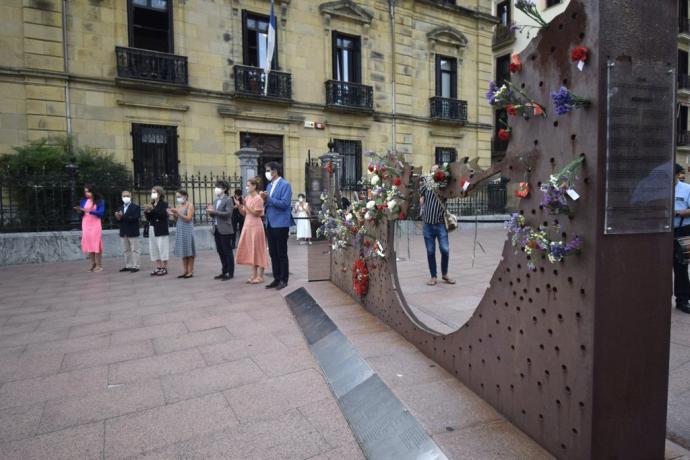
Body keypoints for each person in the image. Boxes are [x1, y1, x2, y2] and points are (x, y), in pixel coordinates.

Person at [260, 161, 292, 290]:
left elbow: (285, 204)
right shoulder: (269, 186)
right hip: (270, 223)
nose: (266, 173)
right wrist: (263, 200)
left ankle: (284, 279)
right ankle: (276, 277)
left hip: (281, 223)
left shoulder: (285, 185)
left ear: (275, 171)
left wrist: (268, 199)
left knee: (281, 253)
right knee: (273, 252)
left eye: (268, 170)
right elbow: (266, 204)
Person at [419, 172, 455, 286]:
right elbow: (420, 195)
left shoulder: (444, 186)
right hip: (428, 225)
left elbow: (453, 190)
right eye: (433, 171)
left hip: (440, 225)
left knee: (445, 250)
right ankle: (433, 276)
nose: (435, 173)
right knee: (430, 252)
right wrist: (421, 199)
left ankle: (444, 273)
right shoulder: (426, 186)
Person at [235, 177, 269, 284]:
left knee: (259, 249)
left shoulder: (258, 198)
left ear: (254, 186)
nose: (247, 187)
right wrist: (239, 205)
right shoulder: (248, 197)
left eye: (248, 185)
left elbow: (257, 213)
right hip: (247, 225)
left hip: (256, 226)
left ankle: (260, 276)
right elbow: (244, 213)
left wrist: (245, 205)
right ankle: (254, 275)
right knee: (251, 250)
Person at [206, 180, 235, 280]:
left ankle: (230, 272)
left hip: (225, 228)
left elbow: (228, 214)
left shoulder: (228, 200)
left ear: (224, 189)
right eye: (216, 186)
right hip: (217, 228)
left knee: (227, 251)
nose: (216, 189)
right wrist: (210, 211)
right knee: (220, 251)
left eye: (218, 187)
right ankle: (224, 271)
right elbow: (214, 214)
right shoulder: (215, 200)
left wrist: (214, 211)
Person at [75, 184, 104, 272]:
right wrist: (79, 211)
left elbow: (100, 213)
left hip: (95, 224)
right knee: (89, 243)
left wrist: (88, 210)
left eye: (88, 191)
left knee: (96, 243)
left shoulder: (99, 201)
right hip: (86, 223)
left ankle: (99, 265)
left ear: (93, 191)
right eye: (85, 191)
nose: (87, 193)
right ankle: (93, 264)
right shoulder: (84, 200)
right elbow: (82, 213)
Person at [168, 189, 196, 278]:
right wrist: (173, 214)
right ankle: (185, 271)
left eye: (179, 196)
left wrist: (177, 213)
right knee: (184, 251)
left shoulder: (190, 205)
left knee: (189, 251)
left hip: (187, 229)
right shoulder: (179, 206)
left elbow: (188, 218)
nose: (178, 198)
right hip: (180, 229)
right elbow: (177, 219)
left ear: (185, 196)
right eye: (177, 197)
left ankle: (190, 271)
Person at [674, 163, 690, 313]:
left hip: (684, 230)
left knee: (682, 266)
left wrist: (678, 213)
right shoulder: (659, 189)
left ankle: (683, 300)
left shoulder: (687, 189)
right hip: (662, 232)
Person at [144, 186, 170, 276]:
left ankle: (164, 267)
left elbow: (162, 215)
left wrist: (152, 209)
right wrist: (147, 211)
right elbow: (149, 218)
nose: (153, 194)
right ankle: (158, 266)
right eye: (152, 192)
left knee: (162, 248)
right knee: (154, 248)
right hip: (152, 228)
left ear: (159, 194)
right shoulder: (152, 203)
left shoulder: (164, 204)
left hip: (161, 228)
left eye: (155, 192)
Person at [114, 190, 140, 273]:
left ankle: (136, 266)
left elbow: (135, 218)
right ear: (121, 197)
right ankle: (128, 265)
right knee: (126, 250)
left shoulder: (135, 207)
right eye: (124, 196)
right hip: (123, 231)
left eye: (127, 196)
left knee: (135, 249)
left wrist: (123, 216)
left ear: (130, 197)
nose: (126, 197)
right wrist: (118, 217)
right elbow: (119, 221)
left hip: (132, 231)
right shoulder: (120, 208)